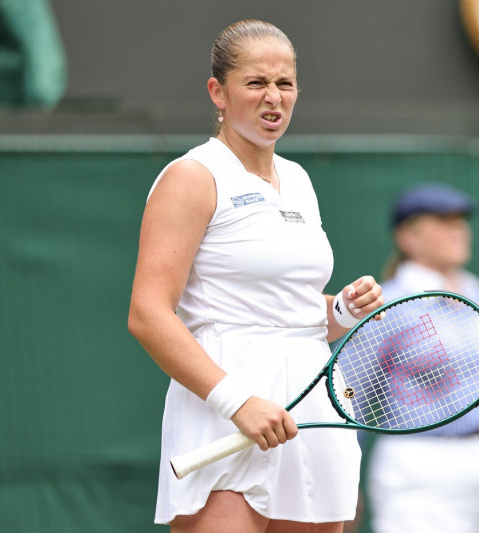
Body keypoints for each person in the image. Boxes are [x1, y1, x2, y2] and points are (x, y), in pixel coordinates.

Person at [127, 19, 384, 533]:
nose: (274, 98)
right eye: (256, 83)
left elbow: (291, 312)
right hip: (224, 409)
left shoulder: (299, 181)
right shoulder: (192, 176)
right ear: (218, 93)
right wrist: (236, 401)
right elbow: (148, 315)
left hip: (310, 408)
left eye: (285, 83)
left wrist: (341, 310)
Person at [365, 183, 479, 533]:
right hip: (422, 470)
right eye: (443, 221)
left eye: (460, 220)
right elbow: (348, 391)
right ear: (408, 237)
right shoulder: (387, 307)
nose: (458, 230)